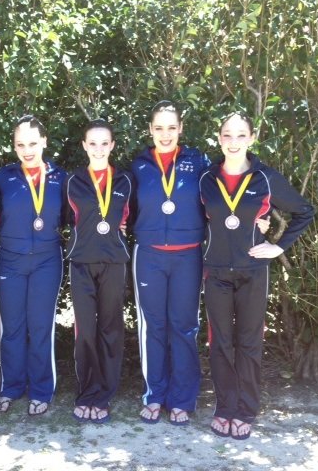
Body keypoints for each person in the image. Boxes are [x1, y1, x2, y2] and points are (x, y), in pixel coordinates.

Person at [199, 112, 314, 440]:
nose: (233, 142)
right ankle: (224, 408)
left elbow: (304, 212)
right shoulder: (207, 178)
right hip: (217, 271)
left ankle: (246, 410)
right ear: (219, 139)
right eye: (227, 135)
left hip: (253, 271)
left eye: (240, 135)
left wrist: (278, 247)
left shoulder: (265, 178)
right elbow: (196, 218)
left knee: (249, 343)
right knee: (220, 344)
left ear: (251, 139)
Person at [130, 100, 211, 426]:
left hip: (187, 255)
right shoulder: (138, 166)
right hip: (149, 254)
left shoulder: (198, 163)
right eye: (159, 128)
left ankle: (182, 399)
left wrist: (258, 221)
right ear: (150, 130)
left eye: (171, 128)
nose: (165, 134)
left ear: (180, 129)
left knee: (184, 327)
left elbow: (219, 200)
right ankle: (154, 395)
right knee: (153, 327)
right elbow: (125, 205)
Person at [0, 115, 67, 416]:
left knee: (40, 326)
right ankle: (11, 387)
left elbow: (78, 216)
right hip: (10, 259)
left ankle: (41, 390)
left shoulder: (60, 177)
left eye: (33, 143)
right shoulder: (3, 177)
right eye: (20, 144)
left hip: (47, 260)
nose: (27, 150)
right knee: (12, 327)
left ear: (44, 142)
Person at [63, 119, 132, 424]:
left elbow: (135, 218)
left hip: (114, 262)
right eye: (93, 143)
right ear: (84, 146)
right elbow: (65, 219)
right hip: (81, 262)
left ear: (113, 146)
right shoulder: (72, 182)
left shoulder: (125, 182)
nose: (99, 149)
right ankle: (86, 391)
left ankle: (103, 394)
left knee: (110, 329)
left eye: (105, 143)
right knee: (85, 332)